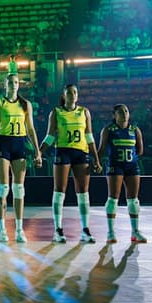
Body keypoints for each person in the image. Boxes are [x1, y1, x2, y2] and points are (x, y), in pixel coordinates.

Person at [0, 74, 43, 243]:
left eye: (16, 82)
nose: (13, 85)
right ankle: (1, 228)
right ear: (5, 84)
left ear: (19, 85)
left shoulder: (26, 105)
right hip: (3, 143)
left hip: (19, 143)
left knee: (19, 188)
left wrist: (37, 151)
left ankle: (18, 228)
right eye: (10, 82)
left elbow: (30, 129)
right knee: (3, 188)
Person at [39, 84, 102, 243]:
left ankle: (85, 230)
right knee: (60, 190)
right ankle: (58, 230)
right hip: (63, 151)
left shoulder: (84, 112)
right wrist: (39, 152)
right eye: (69, 92)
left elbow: (89, 137)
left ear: (77, 95)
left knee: (83, 191)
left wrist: (96, 158)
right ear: (64, 95)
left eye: (75, 92)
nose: (72, 95)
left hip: (81, 152)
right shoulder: (56, 112)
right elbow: (50, 136)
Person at [96, 104, 147, 243]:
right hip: (115, 166)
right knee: (113, 198)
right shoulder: (108, 130)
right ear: (114, 115)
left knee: (134, 200)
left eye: (126, 111)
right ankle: (111, 232)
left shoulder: (135, 130)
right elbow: (100, 150)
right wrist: (97, 162)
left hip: (132, 167)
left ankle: (135, 232)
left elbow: (140, 150)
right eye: (120, 112)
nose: (124, 114)